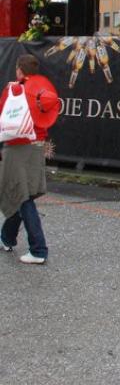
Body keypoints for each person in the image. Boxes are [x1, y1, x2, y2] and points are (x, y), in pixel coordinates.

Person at [0, 54, 60, 264]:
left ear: (19, 70)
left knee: (22, 196)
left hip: (17, 147)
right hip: (37, 146)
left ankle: (38, 249)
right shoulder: (43, 91)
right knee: (23, 194)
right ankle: (6, 237)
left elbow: (2, 115)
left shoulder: (14, 90)